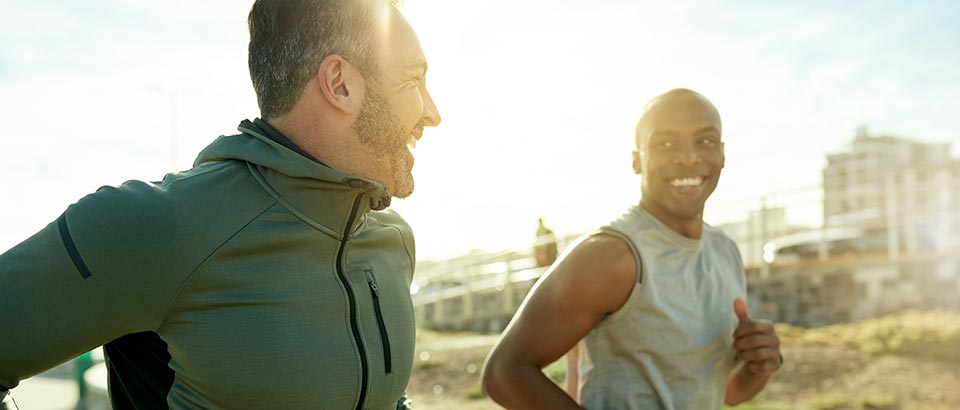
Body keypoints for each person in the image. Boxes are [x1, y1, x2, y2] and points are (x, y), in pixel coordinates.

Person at [0, 0, 440, 408]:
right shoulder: (153, 225)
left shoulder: (392, 240)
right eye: (414, 82)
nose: (432, 112)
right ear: (340, 84)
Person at [481, 89, 781, 409]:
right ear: (637, 160)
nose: (688, 157)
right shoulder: (611, 256)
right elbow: (504, 373)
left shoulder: (725, 252)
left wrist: (758, 369)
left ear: (722, 154)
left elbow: (719, 393)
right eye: (665, 143)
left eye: (705, 141)